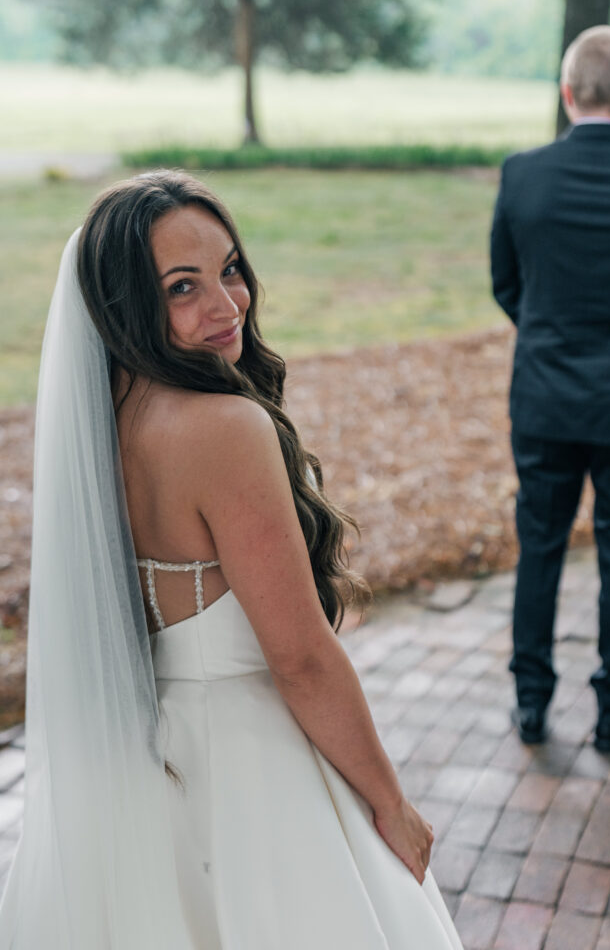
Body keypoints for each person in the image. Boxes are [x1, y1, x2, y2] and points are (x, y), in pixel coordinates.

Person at [0, 170, 463, 948]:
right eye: (183, 287)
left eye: (231, 270)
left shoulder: (98, 426)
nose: (226, 305)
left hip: (144, 764)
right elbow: (301, 658)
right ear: (124, 305)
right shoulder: (222, 429)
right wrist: (390, 803)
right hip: (253, 771)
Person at [491, 25, 610, 753]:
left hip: (543, 396)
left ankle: (531, 703)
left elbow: (506, 285)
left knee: (538, 545)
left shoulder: (520, 174)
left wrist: (549, 336)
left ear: (567, 94)